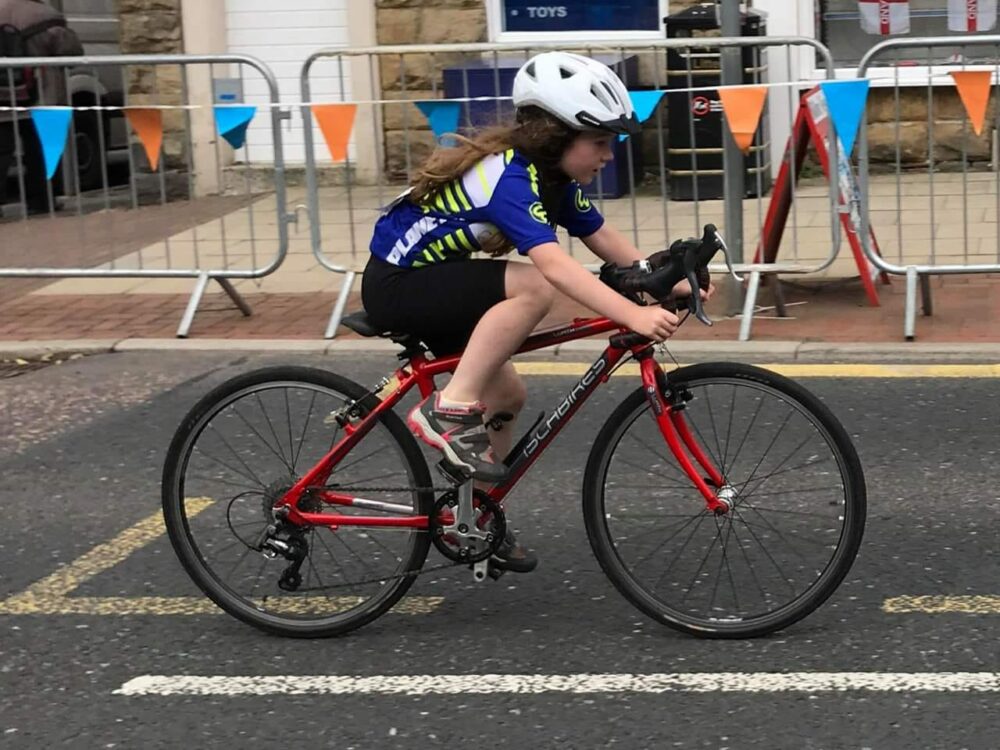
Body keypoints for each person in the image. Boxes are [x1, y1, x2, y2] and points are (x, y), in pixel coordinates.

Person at [362, 52, 711, 572]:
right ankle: (445, 406)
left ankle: (472, 517)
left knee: (506, 394)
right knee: (530, 287)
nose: (609, 156)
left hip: (434, 281)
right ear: (556, 137)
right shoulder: (510, 178)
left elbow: (603, 239)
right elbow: (554, 266)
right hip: (398, 284)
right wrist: (632, 315)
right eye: (599, 143)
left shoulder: (552, 180)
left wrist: (659, 277)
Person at [0, 0, 82, 215]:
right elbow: (71, 53)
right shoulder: (46, 15)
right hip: (41, 93)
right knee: (40, 151)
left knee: (1, 151)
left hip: (2, 96)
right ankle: (42, 201)